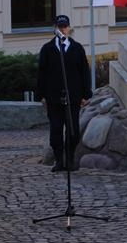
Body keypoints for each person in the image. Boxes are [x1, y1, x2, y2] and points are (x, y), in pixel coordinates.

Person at [36, 15, 92, 172]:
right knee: (56, 131)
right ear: (55, 28)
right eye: (60, 27)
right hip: (53, 97)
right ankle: (59, 160)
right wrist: (41, 95)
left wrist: (85, 94)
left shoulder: (77, 48)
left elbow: (84, 72)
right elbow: (41, 73)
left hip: (73, 96)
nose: (63, 29)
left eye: (65, 26)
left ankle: (70, 160)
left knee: (73, 131)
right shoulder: (47, 49)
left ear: (69, 28)